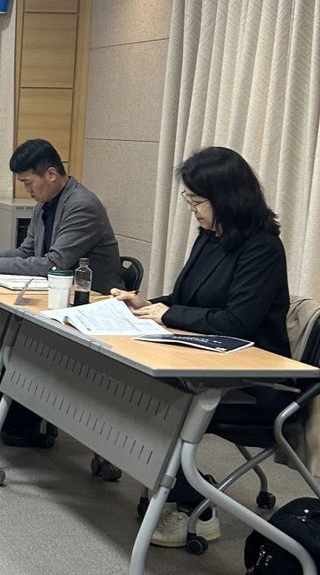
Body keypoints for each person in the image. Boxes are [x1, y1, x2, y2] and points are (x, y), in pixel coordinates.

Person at [113, 146, 290, 548]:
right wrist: (147, 304)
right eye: (189, 199)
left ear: (227, 197)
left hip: (255, 382)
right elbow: (186, 299)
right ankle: (185, 493)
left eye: (197, 201)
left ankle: (198, 505)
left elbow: (235, 323)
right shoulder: (210, 238)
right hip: (203, 364)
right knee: (133, 387)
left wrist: (168, 315)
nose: (192, 209)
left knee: (159, 403)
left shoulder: (262, 248)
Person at [0, 138, 123, 446]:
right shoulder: (45, 205)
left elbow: (55, 262)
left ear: (50, 174)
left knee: (21, 345)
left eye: (28, 182)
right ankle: (17, 416)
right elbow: (27, 251)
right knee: (5, 339)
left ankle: (24, 420)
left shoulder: (82, 205)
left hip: (90, 304)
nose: (27, 189)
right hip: (55, 298)